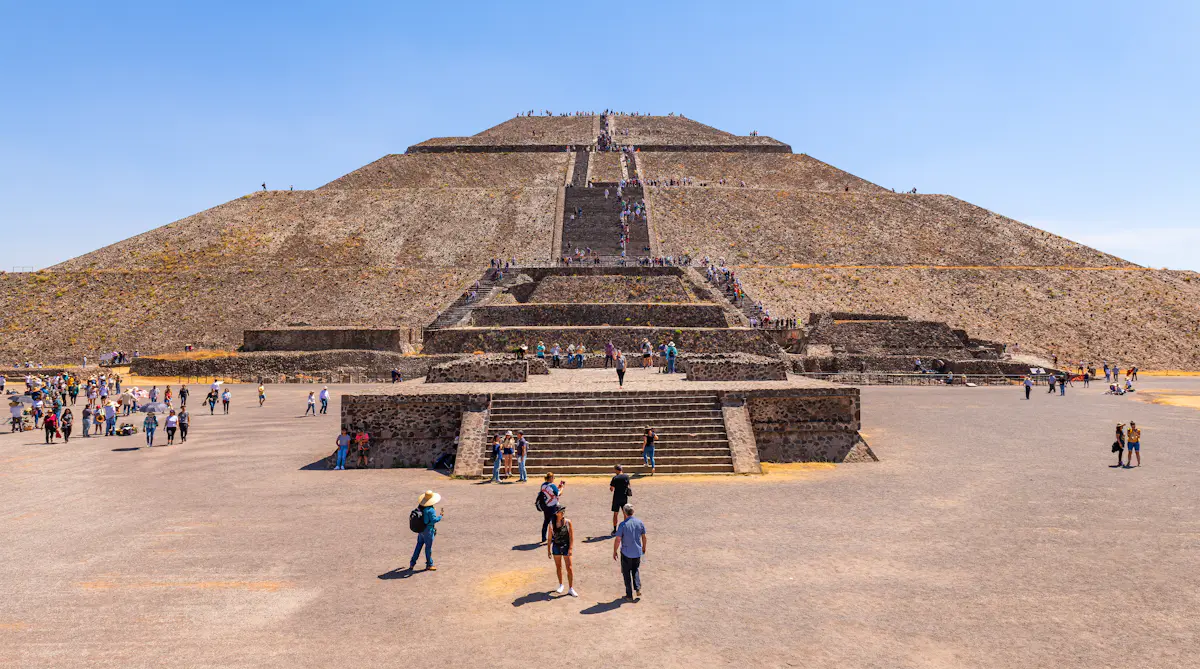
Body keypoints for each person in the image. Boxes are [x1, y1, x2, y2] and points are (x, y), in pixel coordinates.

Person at [613, 503, 647, 601]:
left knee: (626, 573)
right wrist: (644, 548)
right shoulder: (639, 523)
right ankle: (637, 587)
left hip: (626, 553)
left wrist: (614, 551)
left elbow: (618, 539)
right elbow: (644, 537)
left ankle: (629, 595)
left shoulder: (623, 525)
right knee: (635, 569)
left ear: (624, 512)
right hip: (637, 552)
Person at [409, 490, 443, 571]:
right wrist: (440, 516)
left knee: (418, 546)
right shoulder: (430, 510)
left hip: (421, 529)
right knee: (428, 548)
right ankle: (429, 564)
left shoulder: (420, 507)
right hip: (428, 530)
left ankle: (412, 563)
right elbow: (433, 520)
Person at [547, 505, 578, 596]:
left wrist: (570, 548)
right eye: (561, 511)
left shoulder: (568, 522)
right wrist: (548, 550)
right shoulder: (551, 524)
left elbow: (571, 536)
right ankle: (561, 585)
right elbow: (549, 538)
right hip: (556, 547)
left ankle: (571, 588)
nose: (563, 513)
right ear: (557, 513)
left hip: (566, 546)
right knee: (558, 567)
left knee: (569, 567)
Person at [539, 473, 565, 543]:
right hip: (553, 506)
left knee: (546, 521)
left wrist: (558, 488)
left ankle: (543, 537)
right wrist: (562, 487)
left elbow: (551, 492)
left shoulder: (543, 485)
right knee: (554, 522)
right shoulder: (552, 486)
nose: (554, 479)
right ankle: (553, 537)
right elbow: (558, 493)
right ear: (550, 478)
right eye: (553, 478)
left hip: (546, 506)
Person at [609, 464, 631, 534]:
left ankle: (615, 529)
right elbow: (629, 485)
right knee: (625, 513)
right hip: (624, 497)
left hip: (616, 497)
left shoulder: (615, 478)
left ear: (616, 470)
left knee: (615, 514)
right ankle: (625, 528)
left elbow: (611, 488)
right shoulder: (626, 477)